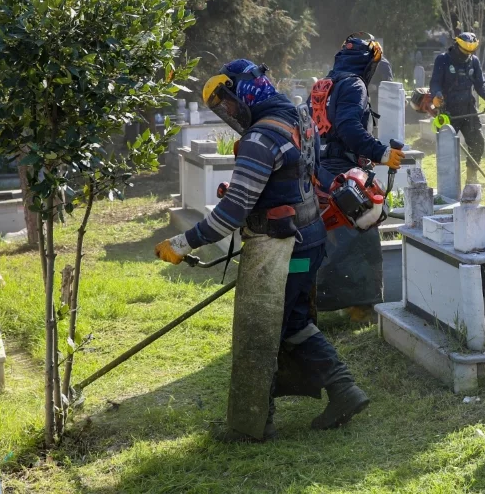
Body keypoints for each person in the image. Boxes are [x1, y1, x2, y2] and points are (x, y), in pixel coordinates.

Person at [154, 60, 368, 441]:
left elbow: (230, 214)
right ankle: (341, 391)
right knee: (292, 323)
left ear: (246, 92)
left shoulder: (260, 137)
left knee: (263, 332)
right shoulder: (298, 118)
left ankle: (256, 421)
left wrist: (181, 243)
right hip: (310, 239)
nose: (230, 113)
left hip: (283, 248)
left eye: (229, 104)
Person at [314, 35, 403, 314]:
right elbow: (349, 127)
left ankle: (319, 303)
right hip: (344, 172)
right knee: (362, 231)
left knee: (327, 237)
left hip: (320, 169)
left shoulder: (324, 85)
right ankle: (359, 310)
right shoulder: (354, 84)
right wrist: (381, 153)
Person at [430, 32, 485, 183]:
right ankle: (448, 183)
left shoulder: (473, 61)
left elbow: (480, 84)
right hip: (448, 111)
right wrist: (437, 95)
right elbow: (435, 83)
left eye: (470, 51)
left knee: (478, 142)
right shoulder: (443, 60)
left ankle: (471, 177)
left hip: (468, 109)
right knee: (448, 149)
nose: (467, 54)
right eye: (465, 51)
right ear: (457, 45)